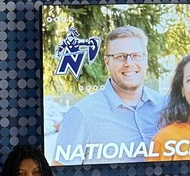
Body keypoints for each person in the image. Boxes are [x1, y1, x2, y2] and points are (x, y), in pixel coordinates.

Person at [54, 26, 163, 164]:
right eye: (120, 57)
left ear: (146, 59)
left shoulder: (166, 106)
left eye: (136, 55)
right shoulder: (81, 115)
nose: (129, 63)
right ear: (107, 62)